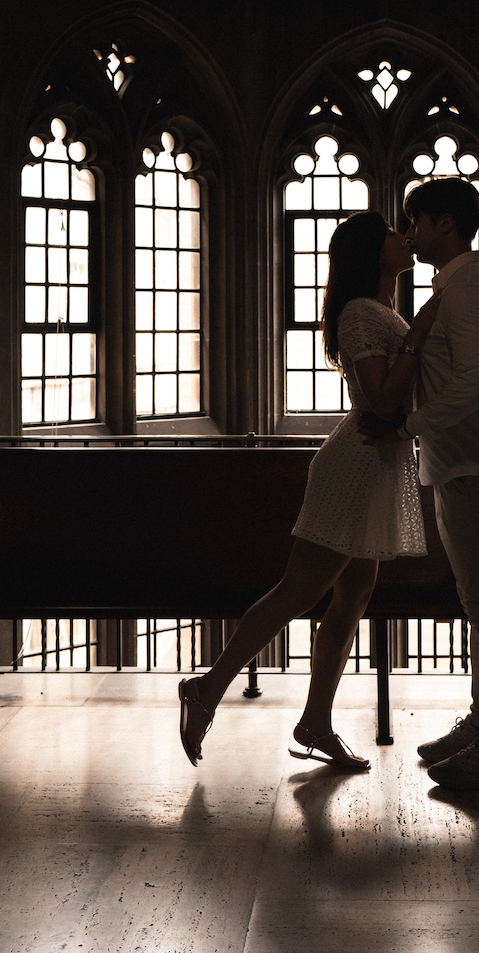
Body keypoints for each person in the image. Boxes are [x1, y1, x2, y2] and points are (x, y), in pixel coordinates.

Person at [178, 211, 439, 771]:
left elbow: (390, 407)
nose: (405, 237)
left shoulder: (379, 310)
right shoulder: (360, 314)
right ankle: (207, 687)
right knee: (297, 591)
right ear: (372, 252)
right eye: (394, 232)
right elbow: (382, 401)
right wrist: (419, 334)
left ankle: (315, 719)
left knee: (354, 594)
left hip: (376, 465)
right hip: (355, 468)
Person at [362, 177, 479, 791]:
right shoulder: (457, 284)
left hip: (475, 466)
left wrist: (410, 424)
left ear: (446, 224)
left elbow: (476, 383)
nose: (410, 234)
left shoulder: (468, 289)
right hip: (460, 464)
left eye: (417, 221)